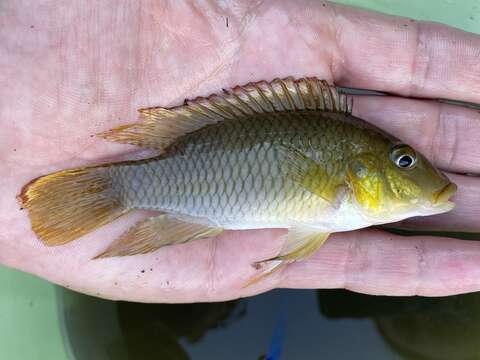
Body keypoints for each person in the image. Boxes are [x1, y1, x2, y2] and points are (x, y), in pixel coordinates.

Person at [1, 0, 479, 302]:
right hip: (190, 163)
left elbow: (307, 232)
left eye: (405, 160)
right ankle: (104, 191)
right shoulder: (343, 172)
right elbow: (307, 232)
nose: (413, 167)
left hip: (202, 181)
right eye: (403, 160)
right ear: (357, 172)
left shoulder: (343, 175)